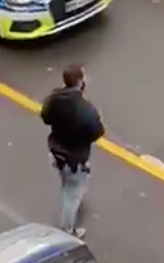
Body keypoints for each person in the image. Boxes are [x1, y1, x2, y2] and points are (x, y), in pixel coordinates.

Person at [41, 64, 105, 237]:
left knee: (66, 183)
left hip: (57, 151)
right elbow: (97, 132)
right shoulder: (86, 109)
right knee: (72, 195)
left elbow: (45, 117)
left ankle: (67, 193)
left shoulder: (55, 98)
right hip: (75, 158)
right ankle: (67, 232)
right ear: (81, 81)